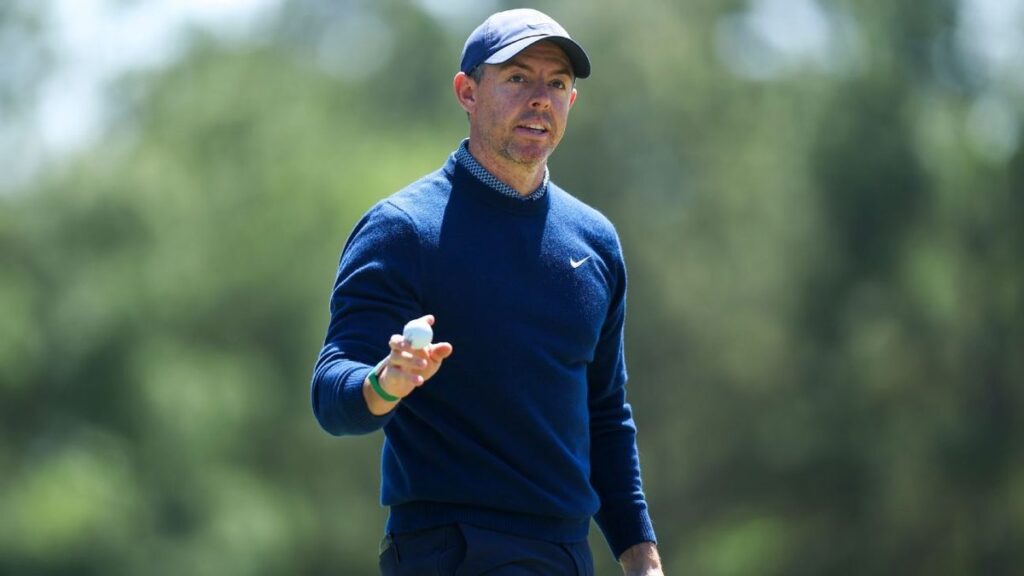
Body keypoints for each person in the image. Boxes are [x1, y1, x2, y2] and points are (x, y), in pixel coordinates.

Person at [311, 8, 662, 576]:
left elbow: (604, 415)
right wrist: (384, 382)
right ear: (467, 93)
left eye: (557, 84)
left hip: (565, 553)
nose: (540, 99)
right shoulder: (404, 229)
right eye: (518, 78)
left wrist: (642, 557)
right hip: (452, 547)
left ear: (571, 102)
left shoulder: (594, 241)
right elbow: (331, 392)